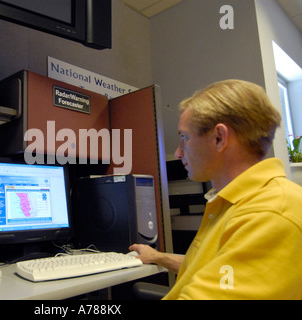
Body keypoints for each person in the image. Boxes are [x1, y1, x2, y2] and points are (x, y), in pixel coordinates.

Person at [129, 79, 302, 299]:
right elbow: (221, 268)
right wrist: (159, 257)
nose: (179, 152)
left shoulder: (270, 214)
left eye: (184, 138)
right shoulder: (240, 202)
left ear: (219, 138)